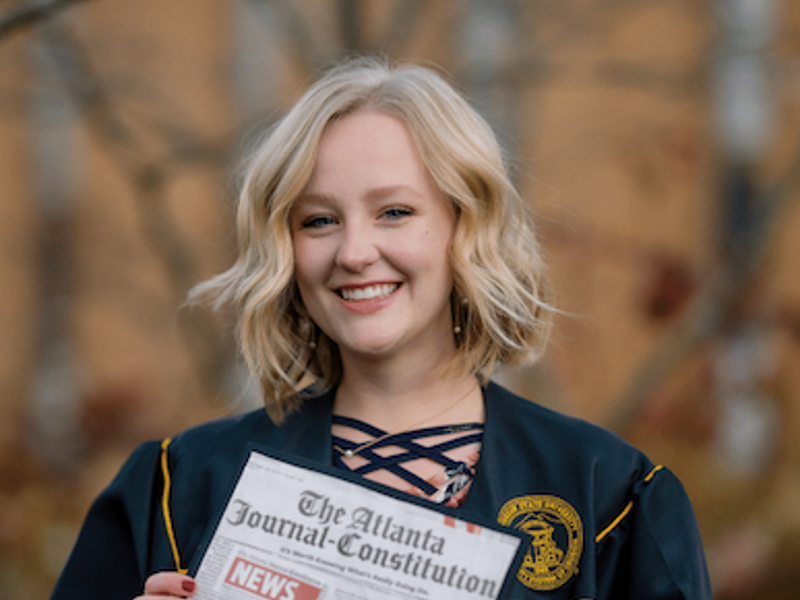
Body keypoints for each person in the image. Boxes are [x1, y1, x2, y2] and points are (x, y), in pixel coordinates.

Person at [50, 57, 711, 600]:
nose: (354, 252)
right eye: (318, 220)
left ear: (464, 225)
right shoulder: (179, 488)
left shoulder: (608, 497)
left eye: (394, 211)